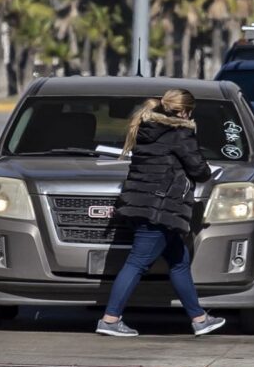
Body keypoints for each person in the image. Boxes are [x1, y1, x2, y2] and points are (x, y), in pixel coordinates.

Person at [96, 89, 225, 337]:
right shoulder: (180, 133)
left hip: (141, 204)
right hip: (160, 208)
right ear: (185, 111)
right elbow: (199, 170)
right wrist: (209, 172)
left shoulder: (147, 130)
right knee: (137, 263)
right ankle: (110, 319)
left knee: (179, 262)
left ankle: (199, 319)